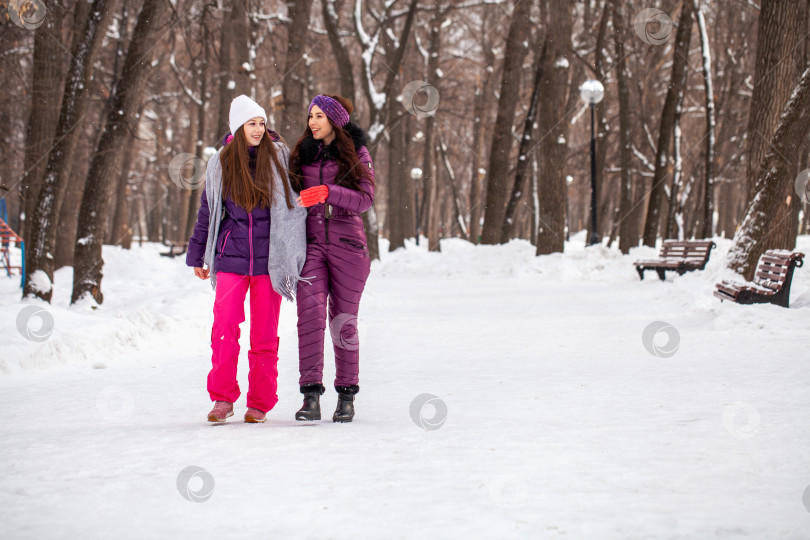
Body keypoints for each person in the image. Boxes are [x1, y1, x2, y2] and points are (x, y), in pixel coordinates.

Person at [186, 94, 307, 423]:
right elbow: (208, 212)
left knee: (264, 334)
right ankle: (223, 398)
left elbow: (297, 204)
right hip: (231, 258)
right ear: (238, 127)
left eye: (261, 123)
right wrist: (198, 254)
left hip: (270, 261)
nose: (258, 129)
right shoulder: (222, 162)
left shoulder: (280, 158)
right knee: (224, 328)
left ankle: (260, 402)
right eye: (251, 123)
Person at [288, 94, 375, 423]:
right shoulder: (302, 154)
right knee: (308, 317)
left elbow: (366, 199)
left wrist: (328, 192)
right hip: (310, 247)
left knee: (343, 321)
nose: (312, 122)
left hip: (348, 248)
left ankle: (346, 396)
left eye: (320, 116)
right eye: (311, 115)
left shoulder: (356, 153)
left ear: (335, 121)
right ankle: (310, 396)